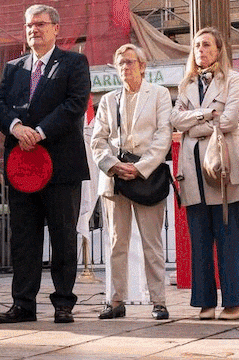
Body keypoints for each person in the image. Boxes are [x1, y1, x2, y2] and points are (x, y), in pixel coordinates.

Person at [0, 4, 91, 324]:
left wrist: (40, 132)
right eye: (29, 25)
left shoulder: (74, 62)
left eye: (41, 24)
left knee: (63, 237)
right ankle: (23, 304)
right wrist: (16, 127)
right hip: (22, 166)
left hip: (60, 165)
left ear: (56, 29)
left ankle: (63, 303)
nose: (34, 30)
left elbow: (75, 103)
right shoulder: (13, 67)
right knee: (23, 238)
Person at [170, 27, 239, 320]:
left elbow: (229, 121)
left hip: (222, 168)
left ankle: (234, 300)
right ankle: (204, 301)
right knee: (200, 239)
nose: (200, 50)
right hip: (192, 171)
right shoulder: (186, 84)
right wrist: (205, 116)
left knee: (229, 235)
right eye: (196, 46)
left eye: (206, 45)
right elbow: (174, 119)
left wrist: (192, 123)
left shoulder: (234, 80)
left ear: (219, 50)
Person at [90, 44, 173, 320]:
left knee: (152, 243)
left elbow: (163, 136)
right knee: (116, 243)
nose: (125, 67)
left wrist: (140, 168)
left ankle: (158, 301)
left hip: (147, 178)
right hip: (115, 180)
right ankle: (115, 301)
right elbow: (98, 140)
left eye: (130, 62)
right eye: (121, 62)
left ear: (142, 66)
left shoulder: (159, 94)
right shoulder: (108, 100)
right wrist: (113, 165)